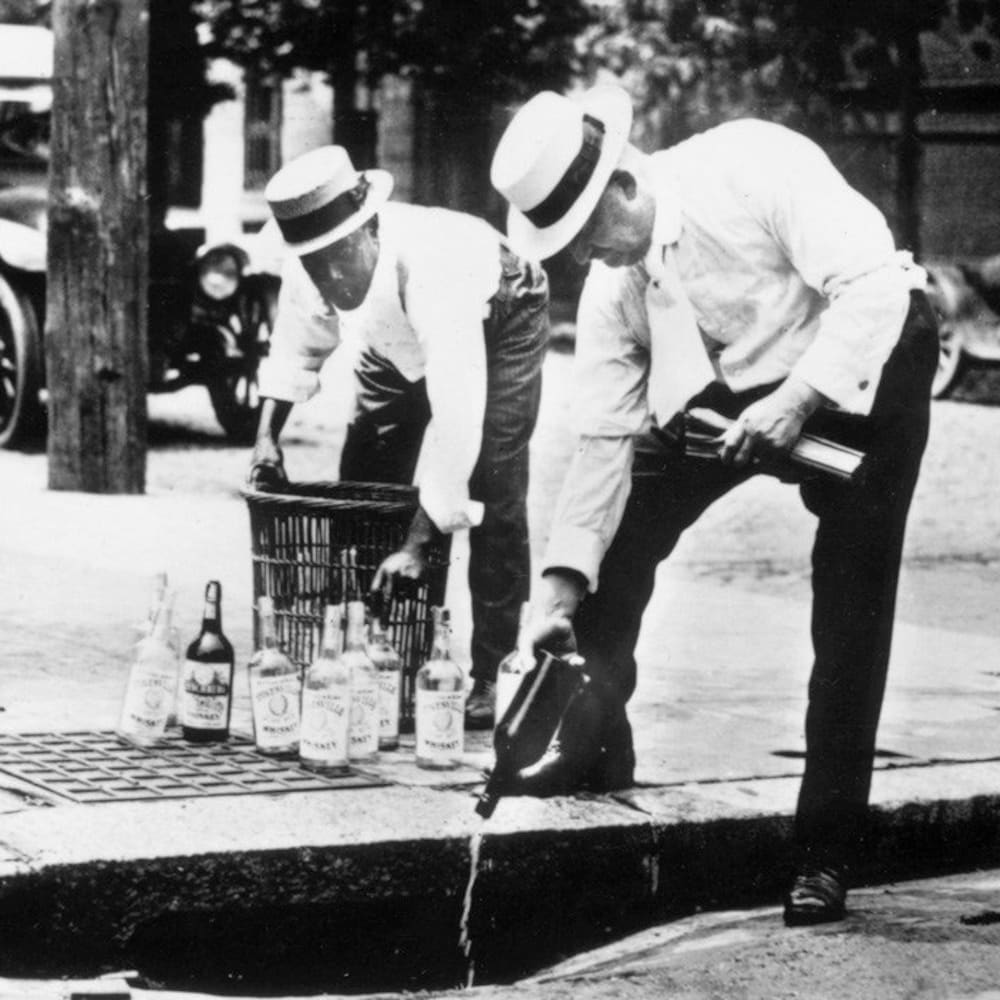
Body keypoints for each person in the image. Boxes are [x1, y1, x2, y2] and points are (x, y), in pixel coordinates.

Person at [489, 86, 938, 926]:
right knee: (617, 547)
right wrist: (555, 594)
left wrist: (801, 399)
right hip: (733, 394)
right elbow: (602, 440)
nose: (590, 256)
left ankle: (824, 851)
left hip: (870, 361)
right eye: (570, 245)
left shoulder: (752, 164)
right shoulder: (613, 284)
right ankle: (592, 748)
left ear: (624, 183)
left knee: (849, 604)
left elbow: (875, 287)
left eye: (589, 233)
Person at [248, 146, 550, 729]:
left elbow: (457, 414)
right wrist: (267, 438)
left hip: (500, 311)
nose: (331, 277)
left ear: (370, 230)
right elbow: (294, 349)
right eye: (314, 264)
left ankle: (491, 672)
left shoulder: (433, 268)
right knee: (366, 471)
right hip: (392, 344)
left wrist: (418, 542)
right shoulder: (311, 263)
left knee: (492, 484)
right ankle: (365, 649)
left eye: (338, 257)